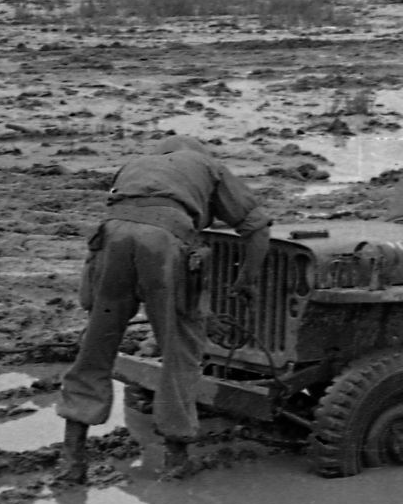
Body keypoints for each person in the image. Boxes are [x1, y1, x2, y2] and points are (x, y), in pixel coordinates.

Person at [56, 134, 271, 484]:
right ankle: (176, 460)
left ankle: (72, 460)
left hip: (111, 239)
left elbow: (131, 211)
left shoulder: (136, 164)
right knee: (180, 348)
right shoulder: (209, 166)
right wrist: (245, 283)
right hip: (164, 243)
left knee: (96, 346)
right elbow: (258, 229)